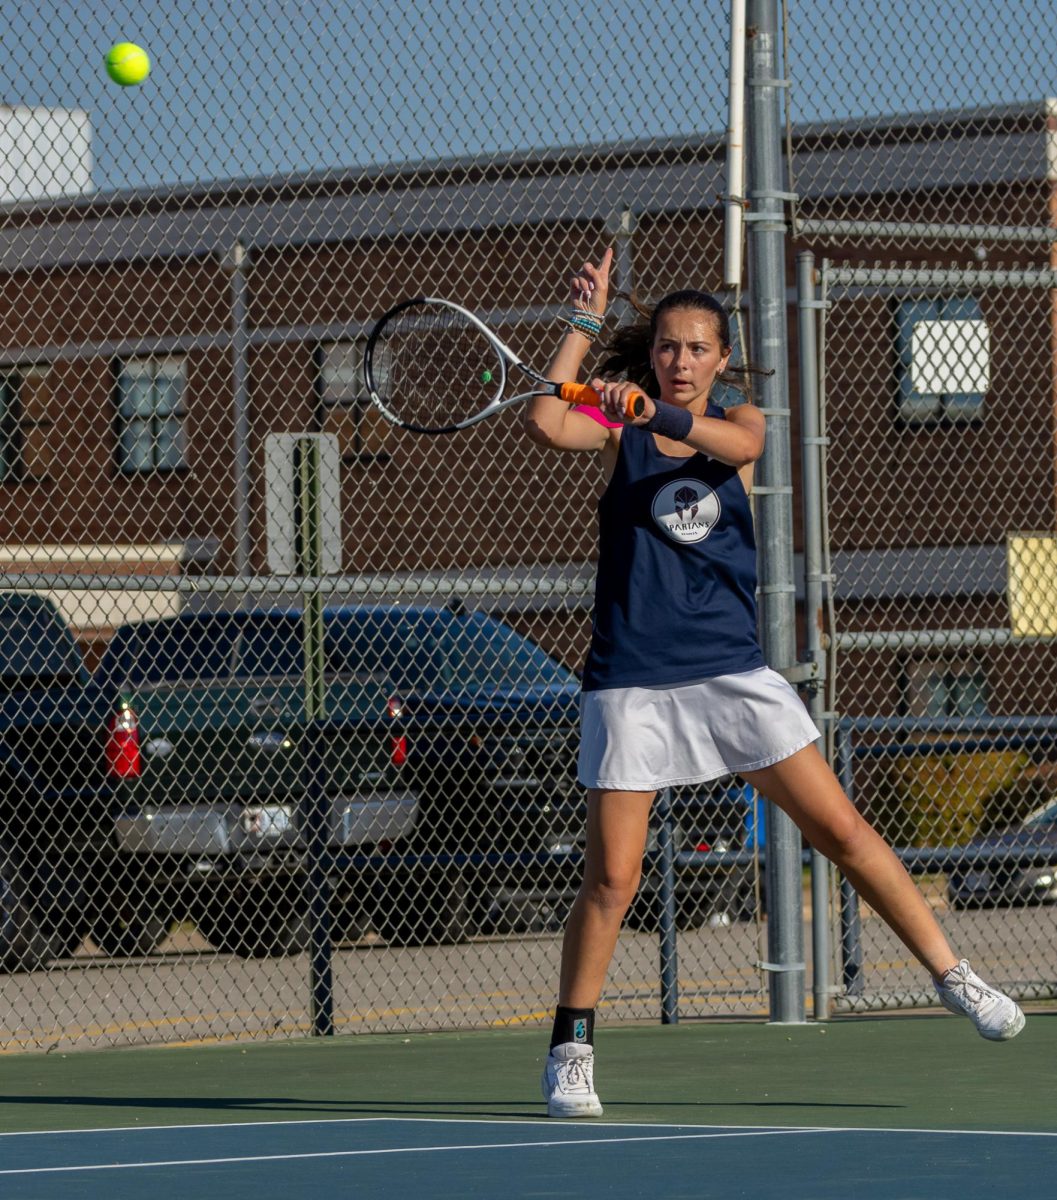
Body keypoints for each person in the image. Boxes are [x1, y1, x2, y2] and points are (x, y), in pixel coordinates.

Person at [523, 247, 1025, 1120]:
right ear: (652, 355)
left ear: (720, 358)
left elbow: (731, 442)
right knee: (613, 876)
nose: (680, 359)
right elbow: (544, 422)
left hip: (732, 673)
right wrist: (579, 332)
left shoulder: (739, 423)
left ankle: (954, 976)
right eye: (667, 348)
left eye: (696, 348)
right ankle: (571, 1045)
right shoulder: (620, 431)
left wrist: (653, 412)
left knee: (841, 829)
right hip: (632, 680)